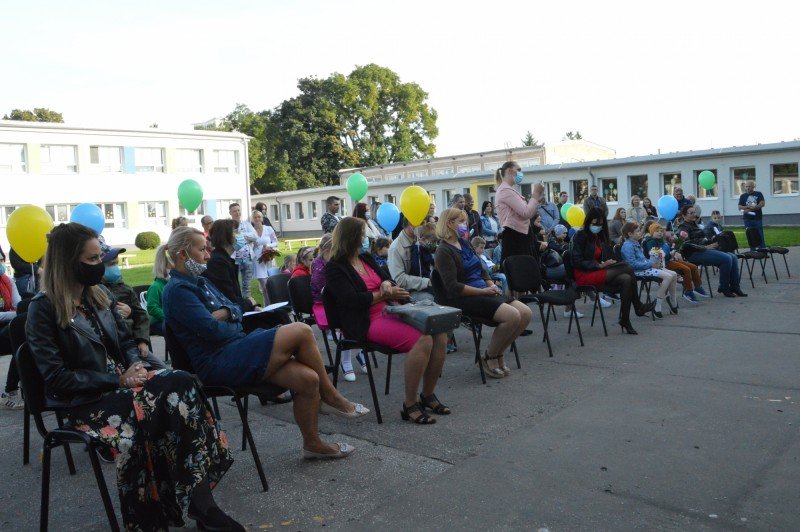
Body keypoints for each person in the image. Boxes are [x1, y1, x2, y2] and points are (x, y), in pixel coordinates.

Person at [26, 223, 242, 531]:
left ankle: (198, 504)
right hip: (87, 401)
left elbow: (126, 342)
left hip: (127, 386)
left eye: (99, 257)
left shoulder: (98, 295)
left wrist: (135, 367)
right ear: (68, 262)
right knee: (166, 400)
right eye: (91, 259)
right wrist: (117, 380)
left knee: (182, 381)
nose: (99, 264)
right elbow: (57, 378)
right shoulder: (43, 309)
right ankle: (184, 508)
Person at [162, 226, 365, 460]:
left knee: (309, 380)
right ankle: (330, 396)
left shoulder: (200, 281)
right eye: (202, 250)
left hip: (236, 348)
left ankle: (313, 444)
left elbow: (236, 307)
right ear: (183, 254)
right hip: (218, 363)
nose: (208, 255)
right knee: (301, 330)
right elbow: (212, 330)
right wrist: (231, 320)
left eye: (207, 249)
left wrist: (227, 314)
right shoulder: (178, 291)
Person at [324, 217, 449, 424]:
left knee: (440, 332)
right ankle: (410, 404)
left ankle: (427, 395)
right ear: (351, 238)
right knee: (423, 340)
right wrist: (383, 295)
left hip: (391, 309)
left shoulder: (365, 258)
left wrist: (386, 284)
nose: (366, 239)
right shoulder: (335, 267)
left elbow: (388, 278)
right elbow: (352, 300)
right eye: (362, 235)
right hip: (365, 319)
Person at [434, 208, 532, 378]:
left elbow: (481, 269)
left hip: (482, 291)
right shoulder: (443, 251)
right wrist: (483, 290)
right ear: (449, 224)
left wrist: (490, 284)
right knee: (512, 316)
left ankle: (498, 352)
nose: (465, 225)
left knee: (526, 313)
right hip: (463, 298)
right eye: (461, 221)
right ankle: (490, 356)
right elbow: (453, 287)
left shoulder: (464, 243)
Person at [569, 208, 655, 335]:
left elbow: (597, 258)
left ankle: (625, 320)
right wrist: (599, 266)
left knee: (626, 279)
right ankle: (638, 306)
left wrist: (605, 263)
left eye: (600, 224)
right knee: (627, 267)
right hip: (584, 274)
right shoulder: (580, 235)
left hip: (596, 270)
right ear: (588, 222)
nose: (597, 226)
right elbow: (576, 261)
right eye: (595, 223)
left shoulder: (597, 236)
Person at [310, 234, 365, 382]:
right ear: (327, 250)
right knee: (347, 316)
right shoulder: (318, 265)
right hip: (324, 304)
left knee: (361, 310)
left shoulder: (339, 262)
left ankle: (361, 350)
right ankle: (345, 361)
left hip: (339, 300)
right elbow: (323, 290)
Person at [101, 246, 156, 365]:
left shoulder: (125, 289)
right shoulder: (97, 291)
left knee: (160, 367)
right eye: (111, 264)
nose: (115, 268)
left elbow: (141, 315)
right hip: (114, 347)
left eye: (116, 263)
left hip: (134, 342)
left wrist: (142, 341)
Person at [677, 205, 746, 297]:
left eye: (694, 212)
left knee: (733, 257)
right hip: (693, 254)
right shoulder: (683, 227)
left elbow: (702, 239)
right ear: (684, 215)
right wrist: (705, 247)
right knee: (727, 258)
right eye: (691, 213)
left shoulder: (694, 224)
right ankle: (724, 287)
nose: (694, 214)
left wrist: (712, 240)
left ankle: (735, 287)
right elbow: (687, 244)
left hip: (703, 250)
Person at [619, 222, 679, 318]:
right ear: (630, 234)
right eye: (638, 231)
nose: (640, 233)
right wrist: (651, 264)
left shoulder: (635, 243)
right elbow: (632, 264)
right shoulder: (628, 246)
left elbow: (643, 259)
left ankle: (673, 301)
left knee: (674, 274)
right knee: (668, 277)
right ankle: (657, 306)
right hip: (637, 271)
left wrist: (653, 263)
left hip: (644, 267)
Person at [642, 223, 708, 303]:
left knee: (693, 267)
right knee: (686, 269)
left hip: (669, 260)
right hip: (662, 264)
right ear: (652, 232)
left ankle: (698, 287)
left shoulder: (661, 240)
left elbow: (667, 251)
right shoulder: (651, 242)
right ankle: (688, 291)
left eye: (661, 231)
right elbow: (659, 255)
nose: (659, 233)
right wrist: (670, 254)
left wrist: (673, 250)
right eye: (657, 231)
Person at [203, 220, 259, 312]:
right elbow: (229, 298)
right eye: (236, 232)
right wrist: (249, 303)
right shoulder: (218, 262)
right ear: (227, 236)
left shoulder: (227, 259)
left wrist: (252, 306)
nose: (240, 235)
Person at [494, 160, 544, 262]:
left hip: (519, 237)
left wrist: (538, 196)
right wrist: (535, 193)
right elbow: (526, 213)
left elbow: (529, 213)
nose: (521, 173)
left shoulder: (508, 190)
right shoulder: (505, 191)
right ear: (509, 171)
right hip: (516, 238)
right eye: (518, 170)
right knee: (521, 269)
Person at [388, 218, 435, 302]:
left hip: (426, 283)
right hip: (408, 291)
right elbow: (399, 280)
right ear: (410, 224)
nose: (424, 226)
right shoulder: (396, 248)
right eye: (421, 223)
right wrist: (426, 282)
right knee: (431, 299)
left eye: (424, 222)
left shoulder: (419, 239)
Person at [0, 262, 23, 409]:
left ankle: (11, 391)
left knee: (22, 337)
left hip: (7, 327)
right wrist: (13, 314)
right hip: (6, 326)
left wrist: (13, 314)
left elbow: (19, 305)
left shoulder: (7, 280)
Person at [229, 203, 257, 298]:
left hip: (247, 257)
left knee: (247, 284)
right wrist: (246, 238)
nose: (237, 213)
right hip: (233, 258)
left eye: (238, 210)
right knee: (234, 283)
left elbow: (255, 236)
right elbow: (230, 240)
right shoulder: (228, 226)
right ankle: (238, 302)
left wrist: (240, 235)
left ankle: (247, 302)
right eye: (234, 211)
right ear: (230, 213)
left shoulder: (246, 224)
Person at [251, 209, 279, 305]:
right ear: (252, 219)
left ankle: (275, 305)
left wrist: (268, 246)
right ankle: (267, 306)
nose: (257, 219)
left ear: (262, 218)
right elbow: (249, 246)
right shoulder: (251, 231)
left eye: (259, 217)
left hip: (269, 257)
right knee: (264, 287)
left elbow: (276, 242)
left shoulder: (268, 229)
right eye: (255, 217)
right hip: (258, 260)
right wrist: (253, 246)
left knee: (272, 284)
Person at [146, 244, 172, 336]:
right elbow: (152, 308)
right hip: (157, 321)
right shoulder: (156, 287)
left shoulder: (170, 284)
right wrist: (169, 317)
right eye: (171, 269)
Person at [738, 180, 766, 250]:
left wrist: (755, 207)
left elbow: (762, 203)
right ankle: (753, 251)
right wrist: (748, 207)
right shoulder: (743, 196)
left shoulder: (758, 194)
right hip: (747, 219)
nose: (748, 188)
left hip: (757, 219)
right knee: (750, 235)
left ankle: (763, 250)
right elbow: (740, 207)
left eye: (749, 186)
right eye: (746, 186)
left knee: (760, 234)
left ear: (753, 187)